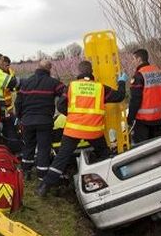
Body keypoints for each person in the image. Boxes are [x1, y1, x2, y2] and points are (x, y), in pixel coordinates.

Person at [37, 61, 127, 196]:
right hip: (94, 131)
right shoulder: (100, 88)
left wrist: (74, 116)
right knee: (105, 154)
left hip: (73, 129)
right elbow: (119, 96)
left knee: (61, 158)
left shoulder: (71, 87)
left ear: (78, 72)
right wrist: (121, 82)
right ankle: (114, 180)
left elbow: (61, 105)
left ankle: (44, 187)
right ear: (91, 72)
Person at [14, 60, 64, 180]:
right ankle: (42, 175)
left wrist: (20, 117)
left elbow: (18, 102)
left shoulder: (26, 83)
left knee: (28, 146)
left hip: (27, 121)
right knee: (43, 148)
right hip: (44, 121)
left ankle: (26, 172)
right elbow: (66, 93)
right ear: (49, 69)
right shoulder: (53, 82)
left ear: (38, 67)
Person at [128, 49, 161, 144]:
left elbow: (135, 100)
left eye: (133, 59)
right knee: (158, 145)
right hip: (159, 118)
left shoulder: (138, 76)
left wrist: (130, 118)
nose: (132, 62)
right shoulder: (159, 72)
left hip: (143, 121)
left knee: (143, 148)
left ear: (139, 60)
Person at [0, 55, 22, 153]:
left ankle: (12, 148)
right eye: (5, 65)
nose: (7, 67)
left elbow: (14, 88)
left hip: (10, 106)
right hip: (1, 106)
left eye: (8, 65)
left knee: (11, 127)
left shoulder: (11, 73)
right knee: (4, 128)